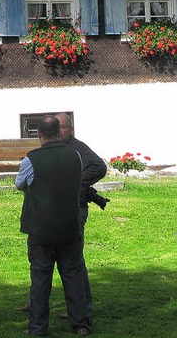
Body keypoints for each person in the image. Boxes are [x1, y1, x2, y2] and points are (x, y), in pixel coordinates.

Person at [15, 115, 92, 336]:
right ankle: (81, 323)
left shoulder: (31, 160)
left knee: (40, 279)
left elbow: (20, 184)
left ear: (38, 134)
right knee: (73, 275)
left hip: (41, 229)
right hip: (69, 225)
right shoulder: (75, 156)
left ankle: (38, 328)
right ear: (59, 132)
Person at [54, 112, 107, 318]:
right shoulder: (58, 148)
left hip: (76, 209)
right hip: (57, 209)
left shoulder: (77, 148)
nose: (59, 132)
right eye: (56, 128)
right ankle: (73, 307)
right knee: (58, 258)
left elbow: (99, 167)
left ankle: (82, 307)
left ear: (71, 129)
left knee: (74, 259)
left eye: (63, 127)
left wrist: (74, 181)